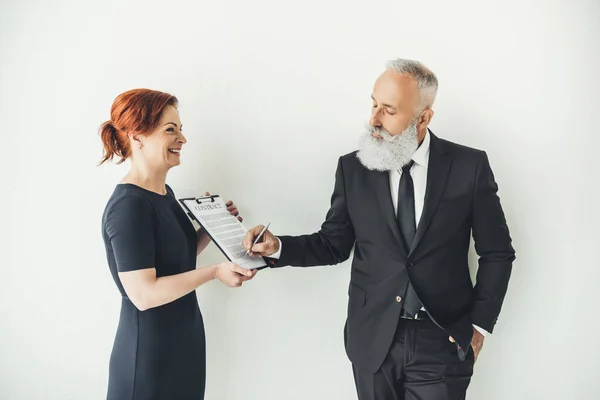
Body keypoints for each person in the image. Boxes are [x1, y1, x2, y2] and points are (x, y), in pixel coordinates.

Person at [243, 59, 515, 400]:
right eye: (373, 104)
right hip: (373, 341)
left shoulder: (469, 167)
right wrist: (278, 247)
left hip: (442, 341)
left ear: (424, 118)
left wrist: (478, 324)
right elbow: (333, 244)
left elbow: (498, 253)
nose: (373, 119)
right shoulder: (352, 168)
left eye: (388, 110)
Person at [99, 88, 257, 400]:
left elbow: (173, 261)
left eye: (181, 129)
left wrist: (209, 231)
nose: (182, 139)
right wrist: (214, 272)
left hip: (184, 345)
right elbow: (144, 294)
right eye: (170, 130)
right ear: (137, 136)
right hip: (149, 356)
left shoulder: (165, 195)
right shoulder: (129, 206)